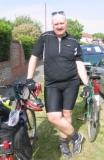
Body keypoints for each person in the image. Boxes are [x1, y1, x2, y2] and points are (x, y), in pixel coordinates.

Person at [26, 11, 89, 159]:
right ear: (52, 25)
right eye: (56, 24)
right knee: (53, 117)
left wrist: (86, 83)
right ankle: (76, 137)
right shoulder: (45, 38)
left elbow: (79, 63)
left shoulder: (73, 41)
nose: (59, 26)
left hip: (71, 83)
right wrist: (29, 78)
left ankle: (63, 143)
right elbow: (34, 57)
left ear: (66, 23)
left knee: (66, 115)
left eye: (62, 23)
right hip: (52, 84)